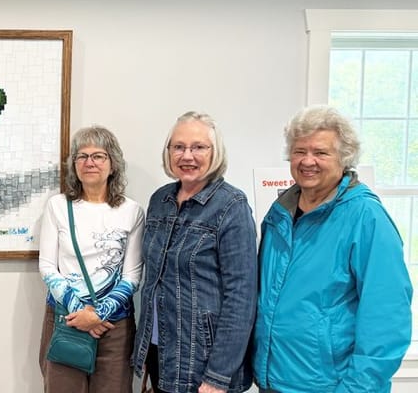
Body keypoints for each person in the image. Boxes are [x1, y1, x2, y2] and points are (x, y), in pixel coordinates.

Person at [252, 105, 412, 393]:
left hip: (332, 386)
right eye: (300, 151)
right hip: (274, 380)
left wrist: (357, 388)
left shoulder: (366, 218)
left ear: (344, 159)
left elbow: (387, 316)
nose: (308, 161)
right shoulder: (279, 214)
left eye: (321, 152)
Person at [131, 111, 258, 393]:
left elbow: (242, 298)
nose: (187, 156)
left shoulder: (231, 206)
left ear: (215, 152)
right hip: (158, 351)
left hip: (202, 361)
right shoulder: (160, 200)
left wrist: (218, 376)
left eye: (198, 147)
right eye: (179, 147)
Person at [38, 125, 144, 393]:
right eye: (82, 156)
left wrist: (99, 313)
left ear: (113, 164)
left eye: (99, 156)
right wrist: (80, 312)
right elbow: (48, 267)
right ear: (74, 165)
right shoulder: (58, 206)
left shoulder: (132, 211)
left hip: (114, 327)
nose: (90, 162)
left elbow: (133, 275)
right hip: (66, 319)